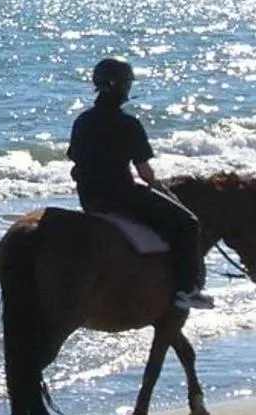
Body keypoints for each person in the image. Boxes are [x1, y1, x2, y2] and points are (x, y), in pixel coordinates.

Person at [68, 57, 214, 310]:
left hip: (89, 197)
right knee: (188, 223)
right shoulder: (128, 124)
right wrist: (163, 190)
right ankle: (186, 290)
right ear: (124, 87)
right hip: (122, 195)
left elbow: (75, 160)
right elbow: (145, 173)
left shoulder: (83, 121)